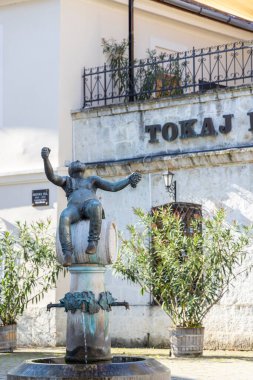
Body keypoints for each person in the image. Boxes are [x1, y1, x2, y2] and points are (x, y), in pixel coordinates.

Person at [41, 147, 141, 267]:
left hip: (89, 205)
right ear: (70, 171)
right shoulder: (67, 181)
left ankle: (92, 242)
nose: (77, 160)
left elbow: (113, 187)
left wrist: (128, 180)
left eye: (79, 162)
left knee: (96, 205)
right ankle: (67, 253)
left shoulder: (92, 180)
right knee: (64, 216)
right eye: (74, 162)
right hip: (74, 209)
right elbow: (51, 176)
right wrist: (46, 158)